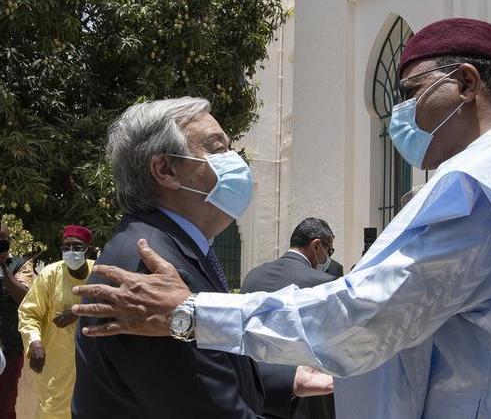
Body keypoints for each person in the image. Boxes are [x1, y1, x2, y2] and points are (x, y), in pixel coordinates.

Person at [72, 19, 491, 418]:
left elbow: (365, 313)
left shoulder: (482, 183)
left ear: (465, 84)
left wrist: (190, 312)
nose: (399, 116)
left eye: (412, 93)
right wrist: (295, 375)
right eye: (215, 148)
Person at [71, 97, 331, 419]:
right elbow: (208, 402)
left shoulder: (177, 247)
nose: (235, 160)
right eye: (217, 148)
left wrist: (288, 379)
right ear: (166, 170)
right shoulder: (150, 268)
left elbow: (206, 363)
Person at [241, 217, 337, 419]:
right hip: (306, 402)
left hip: (255, 395)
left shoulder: (253, 276)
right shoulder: (325, 284)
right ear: (316, 246)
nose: (328, 258)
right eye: (329, 252)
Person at [18, 225, 94, 419]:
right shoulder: (50, 275)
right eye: (66, 247)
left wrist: (77, 312)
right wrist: (35, 342)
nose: (71, 252)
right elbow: (28, 313)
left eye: (77, 247)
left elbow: (111, 306)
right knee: (53, 412)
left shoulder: (99, 274)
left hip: (91, 364)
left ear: (88, 250)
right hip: (57, 365)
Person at [0, 221, 29, 419]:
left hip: (10, 349)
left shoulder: (21, 265)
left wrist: (3, 266)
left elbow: (26, 298)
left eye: (2, 241)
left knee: (5, 406)